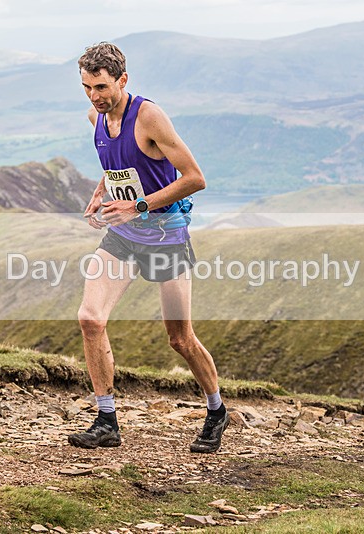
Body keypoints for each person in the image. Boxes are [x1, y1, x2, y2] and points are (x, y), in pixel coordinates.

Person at [68, 42, 229, 454]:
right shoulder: (96, 117)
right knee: (90, 319)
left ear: (123, 80)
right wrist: (99, 190)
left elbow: (195, 178)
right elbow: (116, 165)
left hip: (165, 235)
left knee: (180, 338)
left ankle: (216, 409)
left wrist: (138, 204)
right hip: (124, 235)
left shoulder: (149, 116)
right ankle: (107, 420)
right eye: (87, 87)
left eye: (101, 87)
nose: (94, 96)